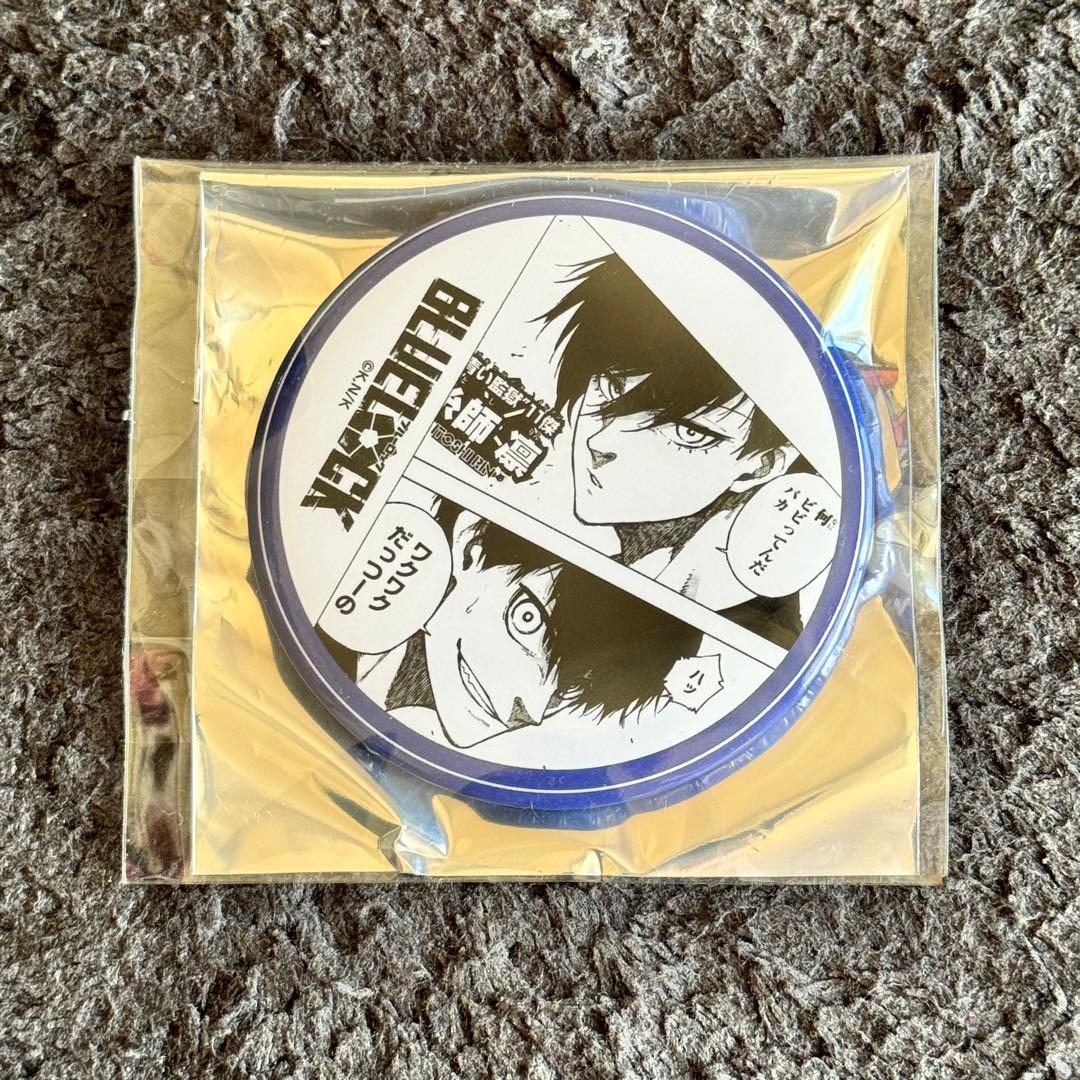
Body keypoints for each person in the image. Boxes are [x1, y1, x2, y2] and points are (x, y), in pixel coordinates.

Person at [540, 254, 809, 649]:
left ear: (760, 467)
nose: (602, 441)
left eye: (687, 432)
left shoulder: (750, 629)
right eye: (611, 386)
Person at [319, 497, 702, 749]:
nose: (530, 708)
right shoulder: (329, 621)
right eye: (527, 620)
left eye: (576, 683)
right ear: (471, 548)